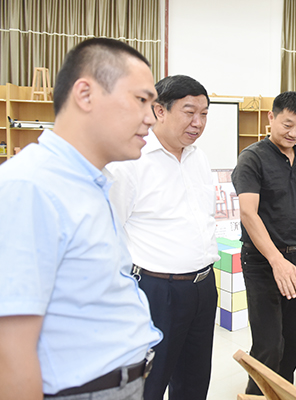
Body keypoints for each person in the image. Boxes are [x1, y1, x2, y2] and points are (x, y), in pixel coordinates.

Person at [0, 38, 162, 399]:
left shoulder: (90, 182)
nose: (151, 118)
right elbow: (9, 351)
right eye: (141, 100)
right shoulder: (31, 187)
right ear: (85, 94)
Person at [107, 75, 218, 400]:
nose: (198, 123)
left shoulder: (199, 157)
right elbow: (109, 232)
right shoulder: (130, 161)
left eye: (204, 114)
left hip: (203, 286)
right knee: (151, 382)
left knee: (195, 379)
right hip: (157, 291)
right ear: (159, 111)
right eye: (189, 112)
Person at [231, 91, 296, 395]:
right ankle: (255, 396)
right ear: (271, 118)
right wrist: (276, 260)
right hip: (263, 261)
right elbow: (248, 213)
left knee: (293, 344)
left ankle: (281, 394)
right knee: (268, 346)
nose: (294, 133)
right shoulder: (252, 158)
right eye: (287, 125)